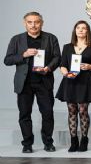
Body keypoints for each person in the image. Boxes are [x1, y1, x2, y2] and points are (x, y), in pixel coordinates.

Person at [4, 11, 61, 153]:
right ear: (25, 23)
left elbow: (57, 57)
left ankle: (48, 142)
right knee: (24, 114)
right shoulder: (16, 39)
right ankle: (27, 144)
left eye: (36, 22)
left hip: (44, 81)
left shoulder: (50, 38)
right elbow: (7, 60)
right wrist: (23, 55)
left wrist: (48, 68)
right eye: (30, 22)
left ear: (42, 23)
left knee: (47, 113)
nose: (33, 25)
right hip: (24, 83)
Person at [55, 20, 91, 152]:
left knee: (83, 111)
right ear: (75, 30)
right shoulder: (67, 47)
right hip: (70, 81)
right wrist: (65, 73)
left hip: (85, 81)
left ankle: (84, 140)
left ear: (87, 31)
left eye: (84, 28)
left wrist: (88, 66)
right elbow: (62, 64)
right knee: (72, 111)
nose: (80, 30)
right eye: (78, 28)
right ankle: (73, 141)